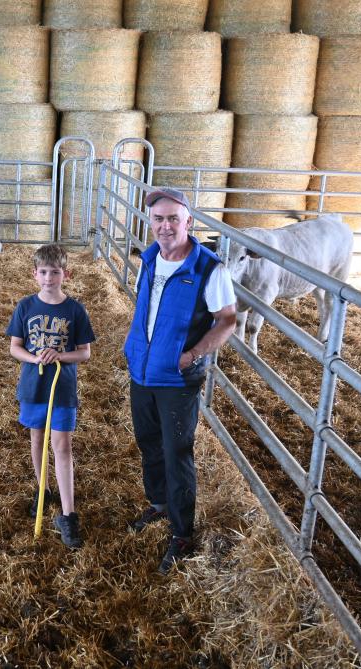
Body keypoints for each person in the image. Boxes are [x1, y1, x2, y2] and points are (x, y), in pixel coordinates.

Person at [124, 187, 237, 574]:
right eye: (158, 218)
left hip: (178, 378)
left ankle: (182, 532)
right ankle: (158, 504)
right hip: (142, 370)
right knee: (148, 442)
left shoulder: (209, 268)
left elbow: (227, 320)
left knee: (177, 452)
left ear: (189, 221)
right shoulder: (150, 258)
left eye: (174, 218)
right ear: (150, 222)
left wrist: (192, 355)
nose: (166, 225)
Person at [7, 244, 95, 549]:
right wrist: (34, 359)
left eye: (55, 272)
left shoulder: (75, 310)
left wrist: (59, 354)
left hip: (62, 388)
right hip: (33, 385)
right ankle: (43, 489)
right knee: (37, 439)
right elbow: (14, 347)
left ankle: (69, 514)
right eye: (43, 272)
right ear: (34, 274)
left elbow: (84, 353)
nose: (48, 278)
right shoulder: (25, 307)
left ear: (65, 274)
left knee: (62, 447)